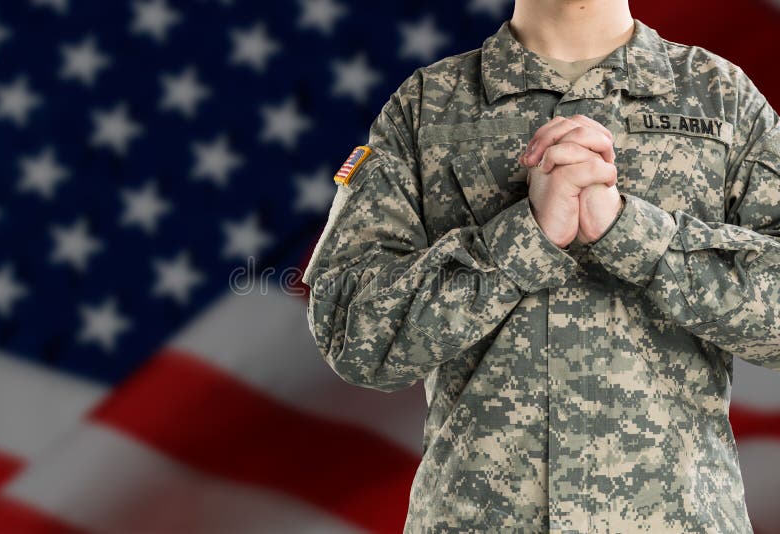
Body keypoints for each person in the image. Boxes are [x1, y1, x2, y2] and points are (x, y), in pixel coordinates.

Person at [302, 0, 780, 531]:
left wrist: (633, 233)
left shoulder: (723, 98)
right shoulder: (427, 106)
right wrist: (520, 239)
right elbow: (351, 333)